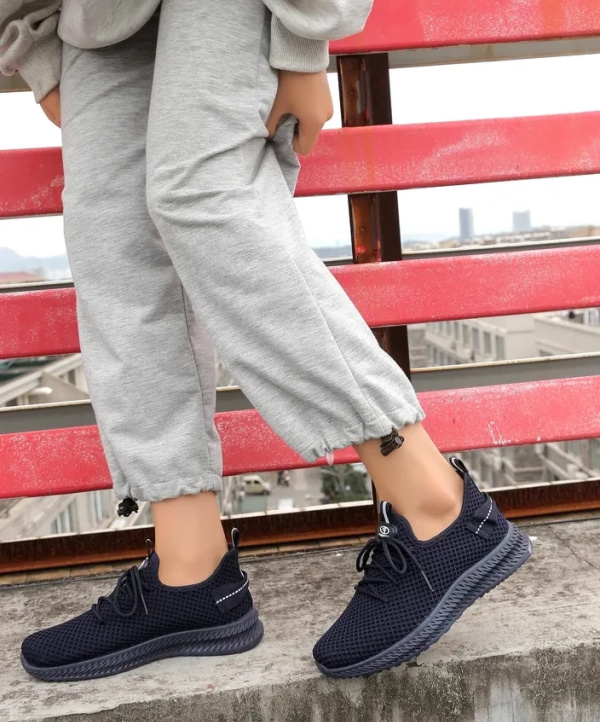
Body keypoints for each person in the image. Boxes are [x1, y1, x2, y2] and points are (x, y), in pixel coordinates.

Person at [1, 0, 531, 682]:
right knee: (114, 246)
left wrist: (303, 40)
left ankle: (438, 508)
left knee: (204, 197)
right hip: (90, 19)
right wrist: (35, 41)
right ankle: (190, 574)